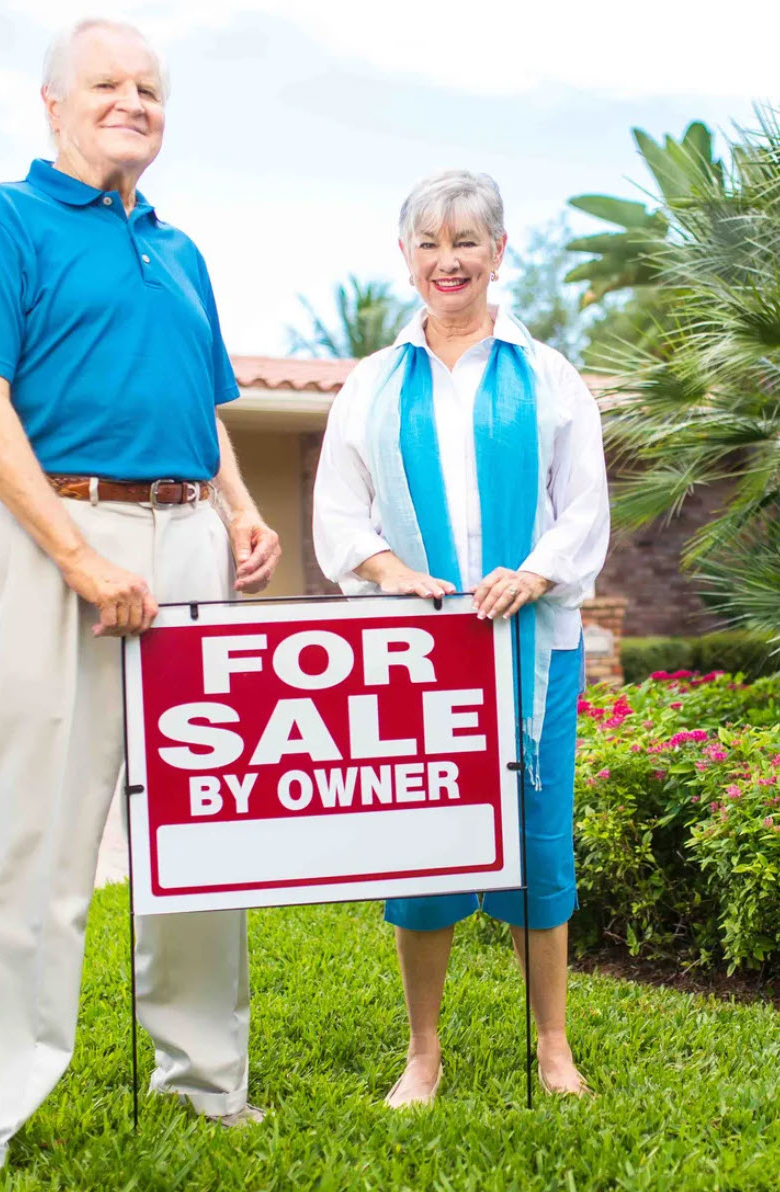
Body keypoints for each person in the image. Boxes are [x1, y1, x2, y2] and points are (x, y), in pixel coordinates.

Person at [0, 19, 279, 1188]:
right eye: (109, 85)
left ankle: (206, 1080)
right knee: (27, 841)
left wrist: (235, 510)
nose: (133, 102)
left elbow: (202, 403)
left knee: (199, 837)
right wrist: (81, 558)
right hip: (53, 548)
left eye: (151, 89)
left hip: (184, 547)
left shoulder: (177, 252)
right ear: (52, 105)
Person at [312, 168, 610, 1106]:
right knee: (425, 846)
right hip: (418, 655)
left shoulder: (549, 376)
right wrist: (397, 575)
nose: (449, 261)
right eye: (431, 244)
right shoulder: (372, 384)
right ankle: (423, 1050)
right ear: (406, 257)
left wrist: (534, 572)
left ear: (499, 253)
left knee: (540, 843)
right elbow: (338, 514)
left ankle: (554, 1046)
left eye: (467, 242)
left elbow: (585, 508)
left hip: (535, 651)